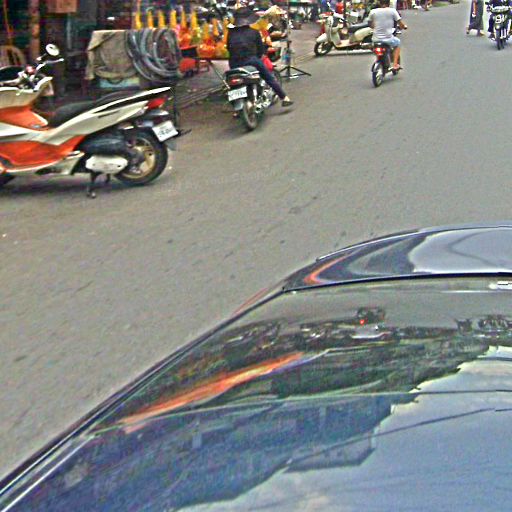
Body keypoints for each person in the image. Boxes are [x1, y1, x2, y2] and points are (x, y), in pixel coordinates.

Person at [227, 8, 293, 107]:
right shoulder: (254, 32)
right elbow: (260, 51)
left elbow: (228, 47)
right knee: (268, 77)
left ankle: (235, 106)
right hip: (251, 60)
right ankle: (284, 97)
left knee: (232, 84)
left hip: (234, 63)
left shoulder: (231, 33)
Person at [368, 0, 408, 71]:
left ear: (379, 3)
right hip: (388, 39)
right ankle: (395, 64)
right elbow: (400, 23)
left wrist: (375, 27)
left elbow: (370, 24)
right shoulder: (392, 11)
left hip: (375, 39)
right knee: (398, 43)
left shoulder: (373, 12)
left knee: (374, 47)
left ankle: (379, 60)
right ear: (389, 3)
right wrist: (404, 27)